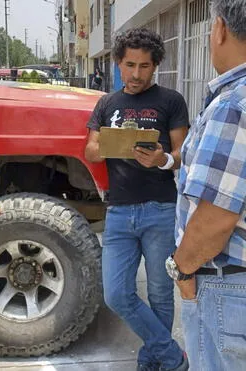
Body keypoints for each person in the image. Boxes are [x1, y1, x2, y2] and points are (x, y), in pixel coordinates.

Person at [84, 28, 189, 371]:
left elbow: (182, 154)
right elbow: (90, 149)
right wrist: (111, 147)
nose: (136, 74)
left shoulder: (171, 100)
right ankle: (171, 355)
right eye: (129, 65)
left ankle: (152, 358)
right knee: (116, 295)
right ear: (118, 63)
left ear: (155, 66)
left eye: (145, 66)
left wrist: (163, 160)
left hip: (160, 208)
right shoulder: (107, 103)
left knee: (160, 293)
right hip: (118, 211)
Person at [168, 1, 246, 370]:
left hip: (227, 286)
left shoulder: (234, 104)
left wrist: (182, 270)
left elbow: (216, 215)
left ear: (219, 29)